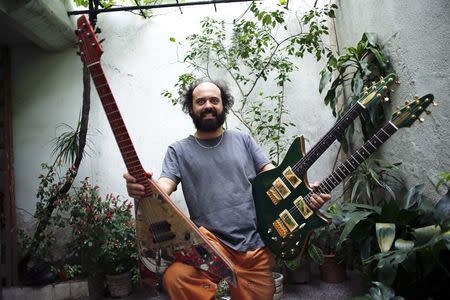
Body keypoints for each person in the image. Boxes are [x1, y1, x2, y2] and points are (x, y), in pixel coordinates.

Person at [124, 80, 331, 300]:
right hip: (209, 246)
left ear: (224, 105)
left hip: (253, 246)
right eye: (200, 101)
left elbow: (276, 179)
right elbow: (165, 186)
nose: (208, 105)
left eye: (214, 100)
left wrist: (307, 194)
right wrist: (144, 186)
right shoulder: (179, 150)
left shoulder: (243, 140)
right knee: (177, 277)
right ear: (191, 108)